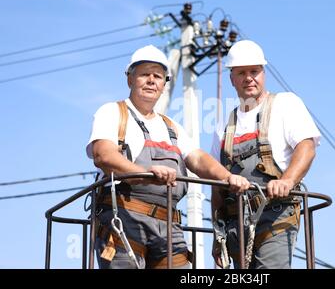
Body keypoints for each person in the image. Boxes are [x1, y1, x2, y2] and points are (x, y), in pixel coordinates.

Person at [86, 45, 250, 269]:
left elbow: (198, 159)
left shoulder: (172, 128)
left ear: (164, 84)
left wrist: (227, 177)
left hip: (169, 226)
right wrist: (145, 174)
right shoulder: (113, 113)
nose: (151, 80)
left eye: (158, 76)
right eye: (145, 74)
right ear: (130, 79)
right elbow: (103, 155)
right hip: (124, 218)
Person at [210, 40, 321, 269]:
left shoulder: (285, 104)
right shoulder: (224, 122)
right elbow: (216, 181)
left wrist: (287, 180)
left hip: (276, 213)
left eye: (254, 71)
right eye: (241, 73)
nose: (248, 77)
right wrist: (216, 233)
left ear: (264, 73)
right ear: (232, 79)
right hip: (236, 221)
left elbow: (306, 146)